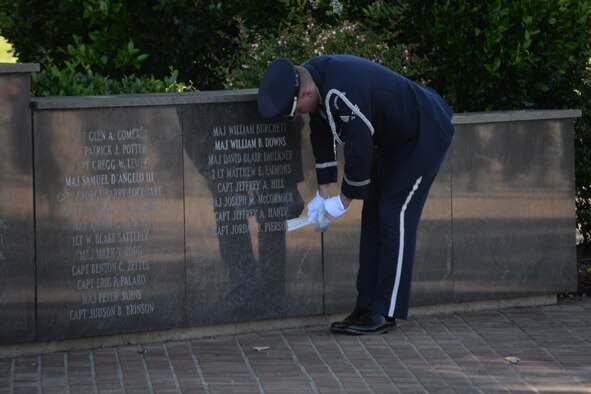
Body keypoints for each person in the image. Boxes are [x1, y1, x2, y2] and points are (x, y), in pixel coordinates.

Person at [257, 55, 454, 335]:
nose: (300, 114)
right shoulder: (314, 79)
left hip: (423, 132)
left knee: (394, 215)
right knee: (374, 216)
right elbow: (321, 134)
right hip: (391, 140)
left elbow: (358, 144)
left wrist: (344, 199)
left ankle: (385, 311)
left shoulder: (341, 91)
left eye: (297, 108)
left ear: (307, 92)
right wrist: (323, 195)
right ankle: (367, 305)